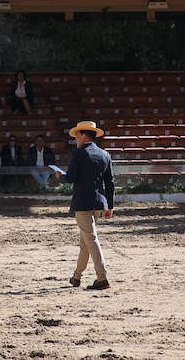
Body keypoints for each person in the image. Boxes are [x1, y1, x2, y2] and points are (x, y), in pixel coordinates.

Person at [59, 120, 114, 291]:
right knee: (86, 241)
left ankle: (102, 277)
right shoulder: (105, 154)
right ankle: (76, 277)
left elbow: (70, 178)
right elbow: (110, 183)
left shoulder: (78, 154)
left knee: (90, 239)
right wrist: (109, 206)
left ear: (83, 135)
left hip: (82, 202)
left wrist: (59, 176)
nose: (75, 139)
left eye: (76, 135)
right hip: (99, 202)